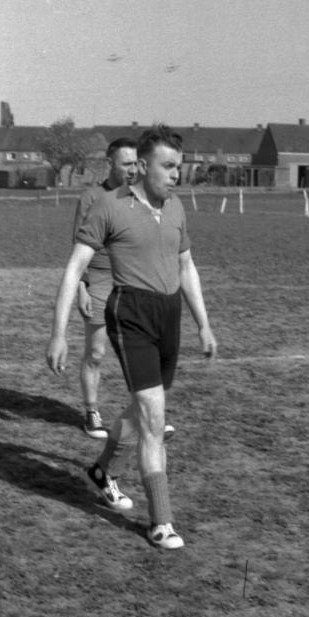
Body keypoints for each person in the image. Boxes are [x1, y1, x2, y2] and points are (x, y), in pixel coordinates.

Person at [46, 125, 217, 551]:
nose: (177, 174)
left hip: (168, 314)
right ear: (142, 166)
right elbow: (72, 268)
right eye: (169, 166)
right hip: (130, 313)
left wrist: (203, 323)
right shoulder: (109, 206)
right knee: (154, 418)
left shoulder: (176, 207)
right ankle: (161, 523)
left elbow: (187, 267)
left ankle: (104, 471)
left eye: (180, 166)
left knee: (144, 412)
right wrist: (58, 332)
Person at [72, 137, 139, 438]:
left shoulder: (139, 197)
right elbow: (78, 246)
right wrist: (82, 287)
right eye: (126, 163)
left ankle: (145, 409)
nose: (132, 169)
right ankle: (91, 412)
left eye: (136, 163)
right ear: (110, 163)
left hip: (131, 282)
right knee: (96, 353)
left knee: (139, 351)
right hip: (98, 281)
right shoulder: (90, 198)